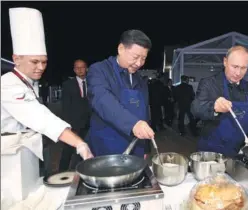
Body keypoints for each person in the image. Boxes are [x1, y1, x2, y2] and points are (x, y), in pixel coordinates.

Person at [1, 7, 93, 205]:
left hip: (26, 152)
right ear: (16, 59)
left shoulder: (30, 82)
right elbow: (41, 117)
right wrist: (79, 143)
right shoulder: (8, 85)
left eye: (44, 62)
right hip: (8, 158)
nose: (41, 67)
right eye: (35, 62)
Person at [87, 29, 155, 157]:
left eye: (143, 58)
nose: (139, 63)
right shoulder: (99, 70)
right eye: (135, 57)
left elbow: (145, 112)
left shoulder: (140, 79)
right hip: (107, 147)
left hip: (136, 146)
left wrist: (146, 147)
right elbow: (102, 100)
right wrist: (133, 124)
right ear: (121, 49)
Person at [191, 46, 248, 158]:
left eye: (243, 68)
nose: (238, 73)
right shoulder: (209, 83)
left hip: (240, 153)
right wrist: (213, 107)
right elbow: (196, 109)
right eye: (235, 67)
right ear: (225, 62)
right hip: (211, 153)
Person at [60, 59, 91, 171]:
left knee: (86, 148)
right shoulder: (68, 85)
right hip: (74, 124)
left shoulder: (92, 83)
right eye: (77, 67)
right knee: (68, 151)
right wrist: (68, 126)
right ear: (74, 70)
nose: (79, 70)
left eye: (82, 67)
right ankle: (61, 172)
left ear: (86, 68)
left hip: (90, 124)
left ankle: (83, 170)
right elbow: (66, 107)